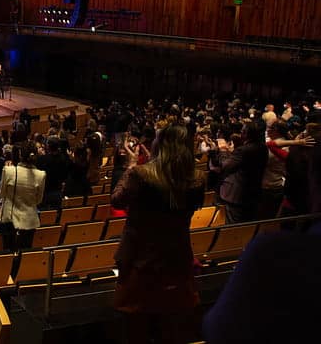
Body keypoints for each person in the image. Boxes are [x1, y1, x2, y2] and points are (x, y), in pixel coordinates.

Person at [111, 124, 205, 344]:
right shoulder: (198, 178)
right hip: (177, 258)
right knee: (169, 326)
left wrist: (132, 165)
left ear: (159, 145)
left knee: (136, 327)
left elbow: (117, 200)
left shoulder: (140, 174)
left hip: (140, 260)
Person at [210, 121, 268, 223]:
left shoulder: (243, 150)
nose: (241, 132)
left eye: (243, 131)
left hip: (236, 194)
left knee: (232, 226)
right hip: (253, 193)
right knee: (245, 226)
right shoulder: (263, 147)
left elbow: (223, 167)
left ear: (246, 134)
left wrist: (222, 151)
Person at [0, 142, 46, 252]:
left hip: (9, 219)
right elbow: (39, 200)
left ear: (20, 155)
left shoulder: (8, 170)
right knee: (25, 254)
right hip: (30, 221)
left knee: (8, 254)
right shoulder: (41, 174)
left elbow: (2, 194)